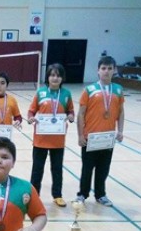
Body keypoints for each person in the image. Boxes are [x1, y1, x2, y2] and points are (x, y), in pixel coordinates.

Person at [75, 56, 125, 207]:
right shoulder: (89, 90)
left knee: (103, 169)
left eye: (110, 68)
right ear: (98, 70)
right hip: (90, 138)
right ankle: (82, 194)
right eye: (103, 68)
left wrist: (120, 131)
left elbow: (121, 112)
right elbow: (81, 114)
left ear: (114, 70)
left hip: (108, 138)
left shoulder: (118, 90)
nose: (106, 71)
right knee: (87, 168)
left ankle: (101, 195)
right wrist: (80, 135)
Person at [27, 63, 75, 208]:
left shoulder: (66, 94)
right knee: (37, 169)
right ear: (47, 77)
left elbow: (71, 111)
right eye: (52, 75)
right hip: (40, 139)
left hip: (58, 140)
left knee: (57, 169)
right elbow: (31, 111)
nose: (55, 78)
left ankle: (57, 195)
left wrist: (71, 116)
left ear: (62, 78)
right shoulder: (40, 93)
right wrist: (30, 118)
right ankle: (34, 195)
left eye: (58, 75)